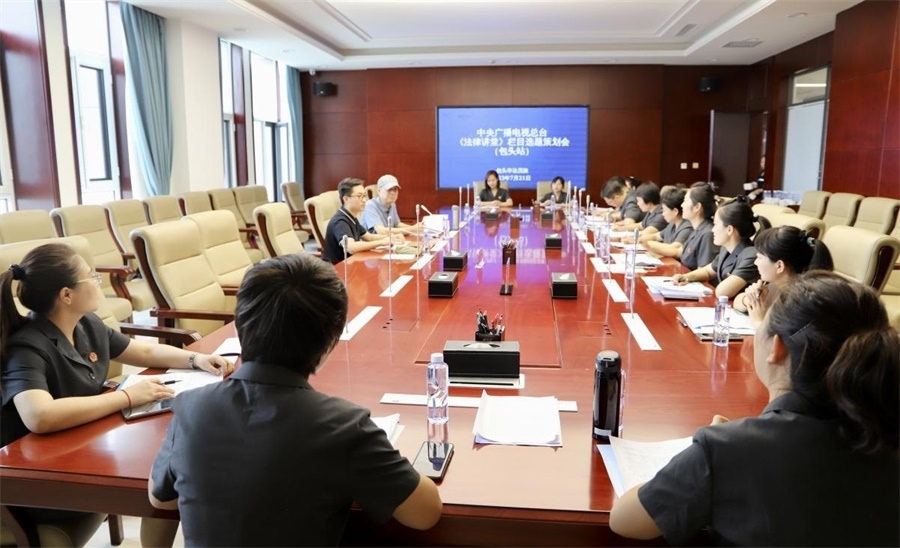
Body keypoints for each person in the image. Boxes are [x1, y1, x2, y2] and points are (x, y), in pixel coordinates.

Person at [148, 253, 443, 546]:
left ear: (239, 326)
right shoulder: (344, 427)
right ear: (330, 343)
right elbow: (425, 514)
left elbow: (160, 500)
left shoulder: (189, 407)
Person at [610, 271, 899, 546]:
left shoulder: (727, 449)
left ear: (776, 348)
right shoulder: (886, 433)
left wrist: (706, 453)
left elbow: (624, 520)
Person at [0, 242, 233, 544]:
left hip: (77, 450)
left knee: (165, 473)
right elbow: (39, 416)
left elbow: (144, 352)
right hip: (33, 480)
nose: (98, 283)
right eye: (91, 277)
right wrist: (127, 397)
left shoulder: (86, 325)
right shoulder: (27, 346)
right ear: (67, 295)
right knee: (161, 481)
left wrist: (195, 359)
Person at [734, 226, 833, 324]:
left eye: (759, 258)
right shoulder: (775, 285)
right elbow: (737, 302)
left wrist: (758, 321)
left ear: (779, 266)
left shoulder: (801, 300)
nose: (755, 262)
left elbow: (779, 334)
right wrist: (750, 299)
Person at [672, 198, 767, 298]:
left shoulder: (751, 256)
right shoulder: (726, 250)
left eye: (715, 224)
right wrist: (686, 277)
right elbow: (708, 272)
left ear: (729, 229)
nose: (712, 229)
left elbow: (722, 292)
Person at [322, 178, 398, 264]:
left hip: (350, 264)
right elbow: (351, 247)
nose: (364, 200)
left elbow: (369, 237)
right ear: (346, 199)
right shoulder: (340, 221)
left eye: (364, 196)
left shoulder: (351, 217)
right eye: (359, 196)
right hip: (336, 268)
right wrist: (382, 242)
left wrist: (390, 237)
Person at [676, 182, 719, 270]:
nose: (682, 205)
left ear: (697, 207)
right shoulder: (697, 229)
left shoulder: (707, 234)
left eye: (685, 201)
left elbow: (703, 272)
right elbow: (679, 252)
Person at [641, 187, 693, 256]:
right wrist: (640, 239)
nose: (663, 214)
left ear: (675, 211)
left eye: (665, 210)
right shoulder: (672, 224)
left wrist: (648, 244)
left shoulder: (687, 228)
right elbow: (656, 236)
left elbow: (673, 248)